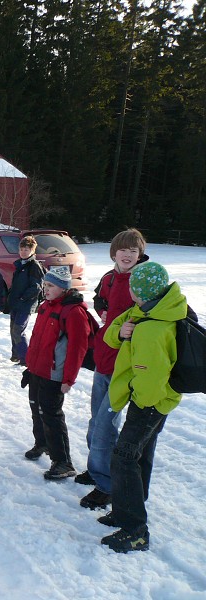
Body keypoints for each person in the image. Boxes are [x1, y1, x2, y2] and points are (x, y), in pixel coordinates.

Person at [97, 262, 186, 552]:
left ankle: (135, 530)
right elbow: (110, 335)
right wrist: (121, 332)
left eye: (133, 287)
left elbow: (151, 376)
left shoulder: (151, 329)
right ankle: (126, 507)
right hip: (158, 399)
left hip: (149, 402)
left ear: (140, 292)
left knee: (123, 458)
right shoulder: (147, 310)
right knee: (140, 453)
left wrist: (140, 400)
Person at [77, 228, 148, 509]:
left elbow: (157, 312)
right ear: (114, 252)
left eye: (133, 250)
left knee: (106, 426)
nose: (127, 255)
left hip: (126, 364)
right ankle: (97, 468)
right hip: (104, 358)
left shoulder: (143, 280)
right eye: (123, 250)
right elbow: (99, 298)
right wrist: (103, 310)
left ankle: (106, 484)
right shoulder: (109, 277)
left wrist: (134, 327)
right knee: (96, 421)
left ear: (140, 255)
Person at [23, 267, 92, 480]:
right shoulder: (45, 306)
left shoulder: (73, 312)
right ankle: (42, 443)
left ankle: (63, 461)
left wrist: (68, 378)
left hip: (54, 375)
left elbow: (77, 349)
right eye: (45, 285)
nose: (46, 289)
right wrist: (30, 366)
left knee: (51, 415)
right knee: (36, 409)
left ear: (63, 287)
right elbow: (37, 339)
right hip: (37, 370)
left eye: (51, 286)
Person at [7, 235, 44, 366]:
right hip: (16, 303)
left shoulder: (34, 266)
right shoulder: (20, 264)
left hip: (26, 304)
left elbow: (37, 287)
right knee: (13, 329)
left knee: (18, 330)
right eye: (21, 249)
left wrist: (24, 297)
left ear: (32, 251)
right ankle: (16, 355)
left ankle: (25, 359)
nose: (23, 252)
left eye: (26, 250)